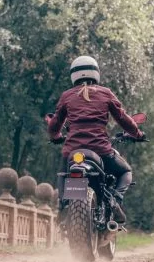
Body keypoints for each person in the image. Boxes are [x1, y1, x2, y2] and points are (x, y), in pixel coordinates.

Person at [46, 55, 144, 223]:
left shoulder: (67, 96)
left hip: (72, 150)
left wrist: (55, 137)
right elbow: (123, 118)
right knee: (125, 171)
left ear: (73, 75)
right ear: (96, 73)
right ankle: (115, 200)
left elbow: (54, 124)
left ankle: (63, 206)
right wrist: (138, 134)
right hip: (101, 150)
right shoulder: (105, 93)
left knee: (63, 173)